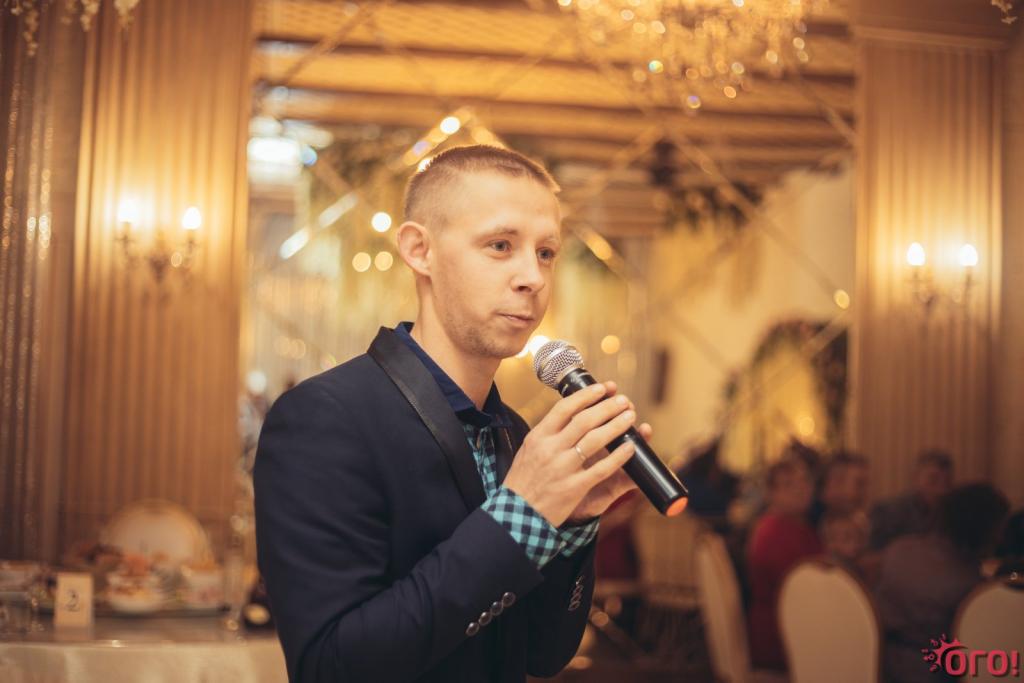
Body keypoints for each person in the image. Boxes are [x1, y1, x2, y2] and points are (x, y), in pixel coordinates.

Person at [253, 145, 656, 683]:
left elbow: (542, 656)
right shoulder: (324, 418)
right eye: (500, 245)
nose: (533, 277)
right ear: (420, 250)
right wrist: (521, 515)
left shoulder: (514, 433)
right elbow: (333, 667)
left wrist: (576, 522)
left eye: (545, 253)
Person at [875, 483, 1009, 683]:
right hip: (931, 673)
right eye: (999, 529)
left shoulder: (898, 549)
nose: (1001, 538)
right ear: (983, 528)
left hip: (879, 666)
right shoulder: (969, 584)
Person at [746, 455, 823, 671]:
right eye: (789, 484)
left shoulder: (799, 526)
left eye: (804, 480)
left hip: (796, 623)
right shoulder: (773, 532)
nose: (801, 489)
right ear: (771, 494)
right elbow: (802, 587)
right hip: (783, 635)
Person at [870, 449, 953, 550]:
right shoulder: (889, 511)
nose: (941, 489)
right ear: (916, 478)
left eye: (947, 482)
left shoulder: (953, 514)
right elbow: (874, 553)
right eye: (933, 480)